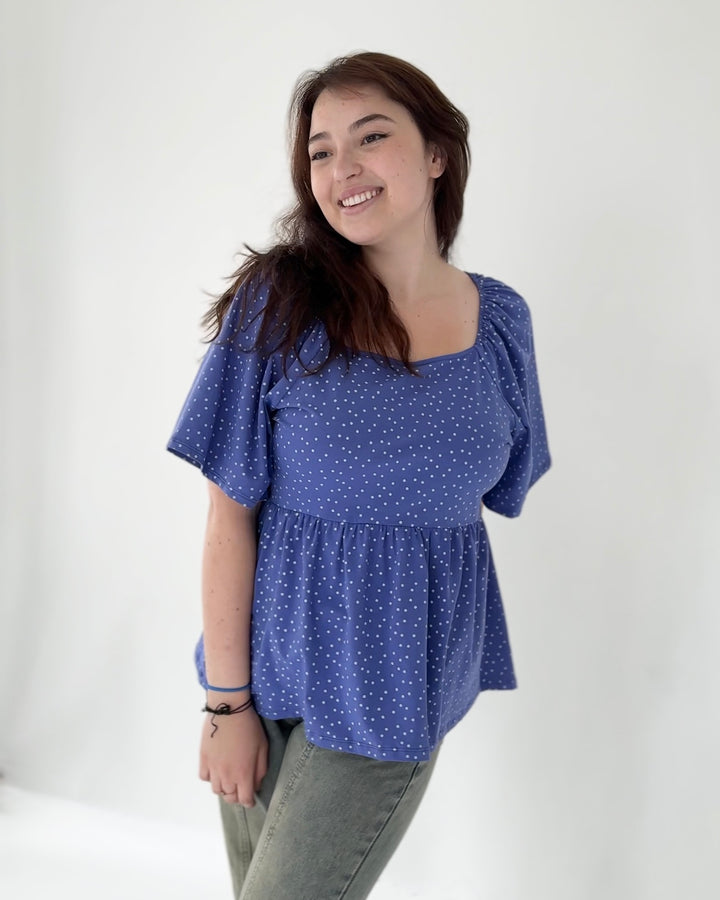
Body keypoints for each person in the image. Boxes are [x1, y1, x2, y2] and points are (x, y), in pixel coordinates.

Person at [166, 50, 552, 900]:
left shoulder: (500, 321)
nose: (343, 167)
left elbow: (499, 486)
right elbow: (228, 516)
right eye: (321, 151)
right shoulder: (280, 303)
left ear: (438, 152)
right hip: (268, 675)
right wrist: (226, 706)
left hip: (396, 682)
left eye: (371, 137)